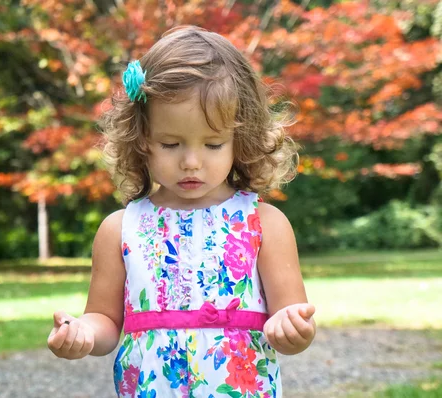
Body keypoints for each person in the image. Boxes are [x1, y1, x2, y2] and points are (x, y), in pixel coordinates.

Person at [47, 25, 316, 397]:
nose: (192, 162)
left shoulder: (264, 224)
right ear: (141, 140)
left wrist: (291, 329)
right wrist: (83, 333)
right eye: (171, 143)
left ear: (241, 139)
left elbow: (291, 319)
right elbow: (106, 320)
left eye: (213, 144)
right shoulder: (121, 228)